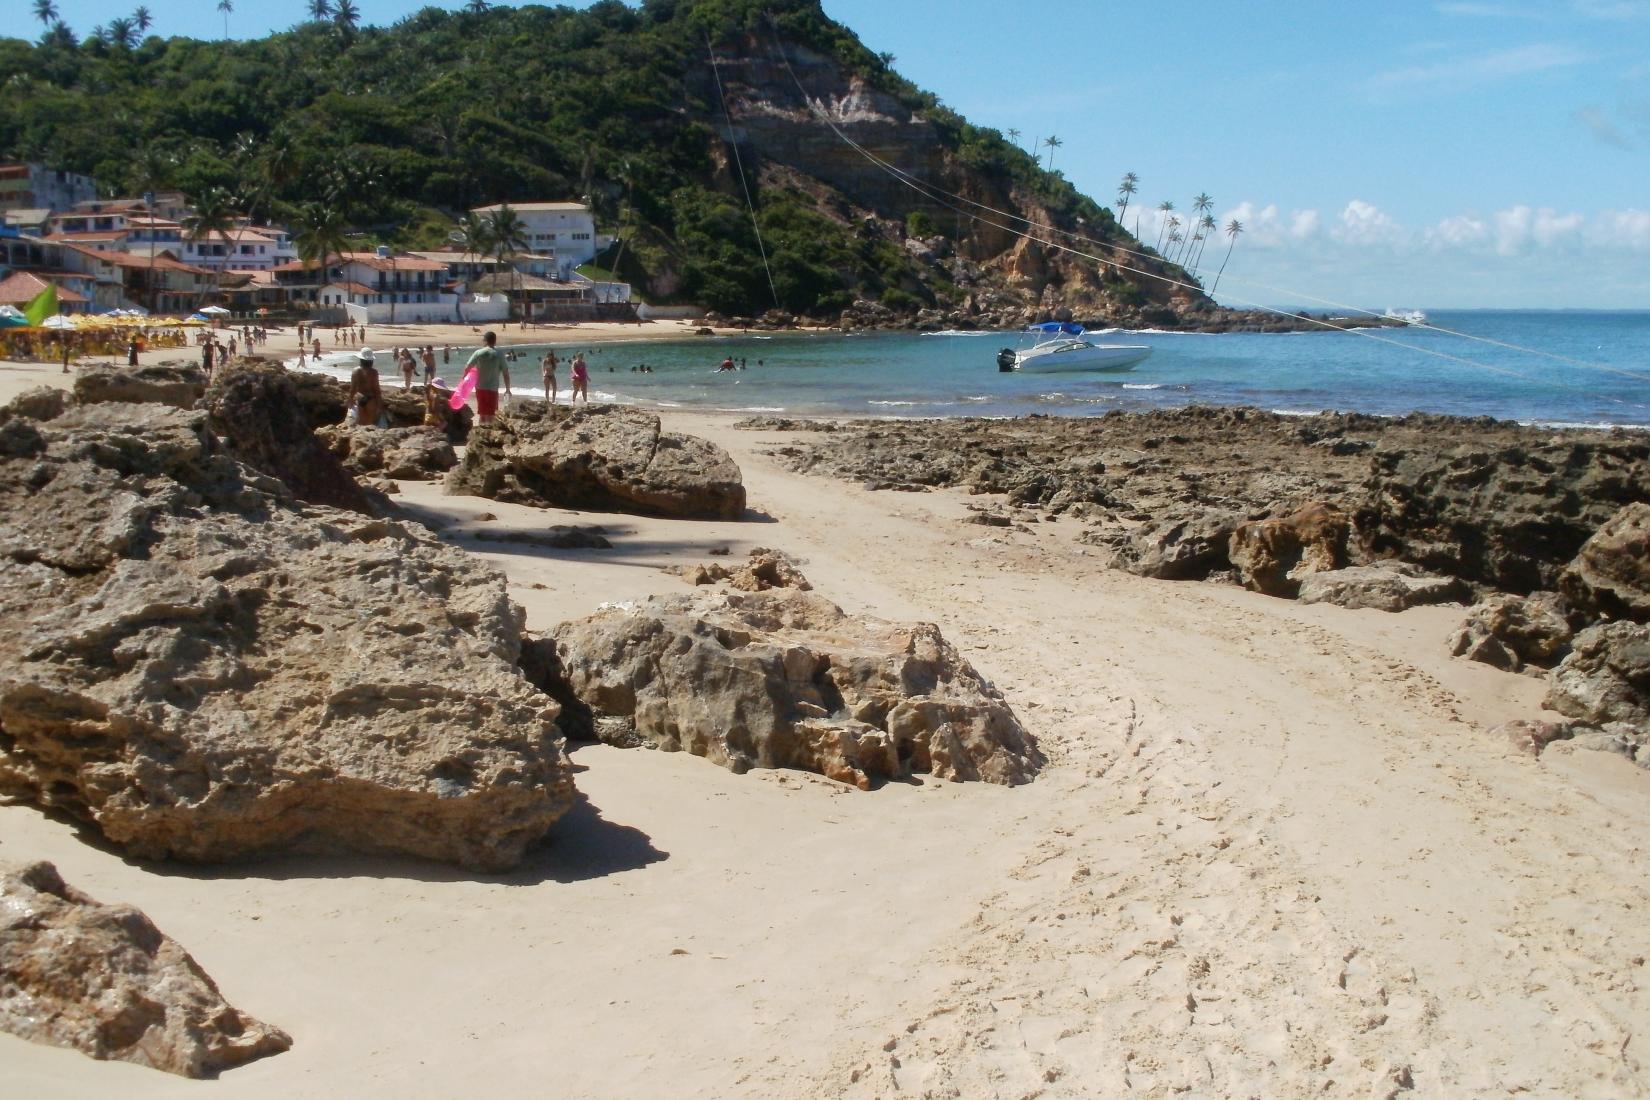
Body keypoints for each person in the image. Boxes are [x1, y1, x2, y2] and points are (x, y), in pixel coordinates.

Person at [463, 331, 511, 424]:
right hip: (493, 389)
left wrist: (463, 382)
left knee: (482, 414)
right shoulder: (499, 354)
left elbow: (467, 368)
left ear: (485, 340)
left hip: (480, 388)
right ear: (495, 341)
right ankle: (489, 435)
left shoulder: (478, 353)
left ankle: (481, 434)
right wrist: (508, 389)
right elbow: (506, 373)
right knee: (492, 415)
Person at [347, 347, 387, 428]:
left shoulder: (355, 371)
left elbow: (353, 388)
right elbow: (376, 390)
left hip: (360, 397)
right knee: (370, 423)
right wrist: (380, 405)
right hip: (370, 398)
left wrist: (350, 400)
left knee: (361, 424)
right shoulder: (373, 372)